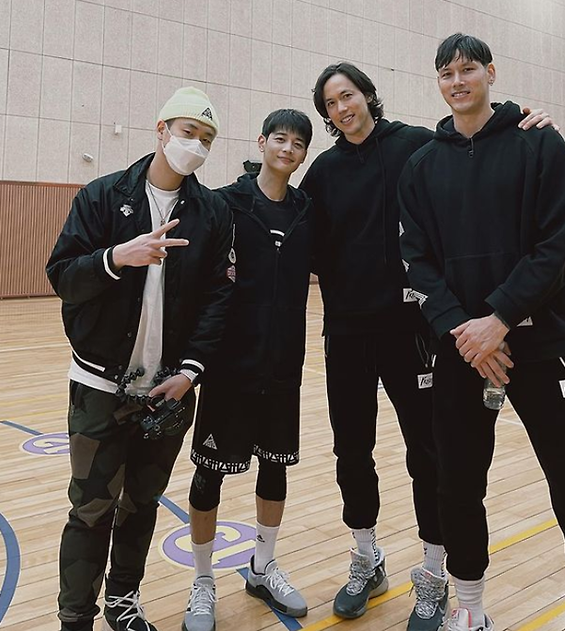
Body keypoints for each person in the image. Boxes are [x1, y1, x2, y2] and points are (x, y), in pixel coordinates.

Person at [300, 62, 556, 631]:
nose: (342, 109)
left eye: (349, 96)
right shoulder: (323, 171)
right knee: (351, 449)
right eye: (331, 104)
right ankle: (366, 556)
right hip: (346, 331)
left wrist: (523, 122)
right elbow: (301, 236)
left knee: (429, 454)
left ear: (368, 95)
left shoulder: (416, 145)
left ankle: (435, 573)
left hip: (412, 330)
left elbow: (474, 146)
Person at [398, 33, 565, 631]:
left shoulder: (538, 142)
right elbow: (417, 260)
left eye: (468, 69)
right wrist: (466, 333)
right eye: (446, 73)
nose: (457, 81)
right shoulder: (421, 165)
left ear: (490, 73)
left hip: (540, 344)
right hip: (463, 350)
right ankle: (469, 607)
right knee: (457, 485)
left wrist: (498, 320)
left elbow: (560, 244)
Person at [46, 87, 235, 631]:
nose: (196, 145)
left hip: (168, 392)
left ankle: (123, 602)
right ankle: (75, 619)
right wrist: (115, 258)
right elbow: (63, 276)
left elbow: (219, 297)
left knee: (141, 504)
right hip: (99, 387)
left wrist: (190, 371)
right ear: (161, 130)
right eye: (188, 132)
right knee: (91, 510)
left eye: (206, 138)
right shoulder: (103, 197)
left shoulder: (212, 212)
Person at [180, 109, 314, 631]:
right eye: (280, 138)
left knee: (275, 467)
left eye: (298, 143)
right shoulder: (224, 204)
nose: (287, 148)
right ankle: (203, 580)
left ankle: (263, 566)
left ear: (304, 155)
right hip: (229, 366)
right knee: (209, 473)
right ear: (261, 142)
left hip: (282, 366)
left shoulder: (306, 211)